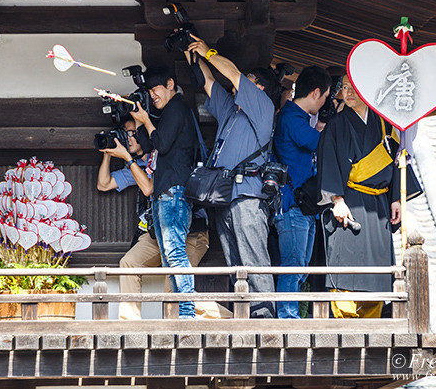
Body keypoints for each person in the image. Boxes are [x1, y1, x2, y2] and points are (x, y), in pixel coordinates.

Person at [317, 75, 436, 318]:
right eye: (345, 88)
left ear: (366, 91)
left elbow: (398, 157)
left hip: (378, 205)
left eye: (353, 88)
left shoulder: (383, 123)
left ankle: (372, 322)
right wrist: (337, 200)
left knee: (377, 271)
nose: (347, 93)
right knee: (345, 267)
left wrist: (396, 198)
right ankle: (345, 325)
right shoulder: (337, 125)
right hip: (350, 203)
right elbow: (328, 160)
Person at [185, 35, 281, 319]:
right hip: (225, 195)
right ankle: (245, 315)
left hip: (249, 195)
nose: (239, 85)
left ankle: (264, 319)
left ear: (259, 87)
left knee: (254, 259)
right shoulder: (233, 110)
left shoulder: (262, 107)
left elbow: (233, 74)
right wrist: (194, 56)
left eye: (249, 81)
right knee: (235, 262)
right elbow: (209, 83)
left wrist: (208, 50)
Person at [97, 120, 230, 319]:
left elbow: (148, 187)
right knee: (128, 263)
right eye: (126, 134)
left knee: (174, 290)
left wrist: (127, 158)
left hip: (190, 232)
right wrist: (108, 152)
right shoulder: (139, 165)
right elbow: (104, 184)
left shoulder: (163, 157)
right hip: (157, 232)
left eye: (133, 133)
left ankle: (231, 318)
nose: (129, 138)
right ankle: (129, 325)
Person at [129, 65, 198, 318]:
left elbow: (162, 144)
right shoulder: (169, 111)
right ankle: (183, 311)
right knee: (169, 256)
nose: (152, 94)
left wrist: (147, 120)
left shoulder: (177, 107)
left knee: (175, 252)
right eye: (149, 90)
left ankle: (187, 313)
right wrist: (140, 122)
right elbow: (148, 145)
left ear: (170, 84)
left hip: (174, 192)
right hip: (163, 194)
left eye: (155, 88)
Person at [272, 66, 332, 318]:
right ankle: (287, 319)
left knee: (300, 267)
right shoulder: (292, 117)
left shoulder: (295, 117)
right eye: (326, 97)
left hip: (302, 207)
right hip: (292, 205)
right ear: (316, 92)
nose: (325, 102)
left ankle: (291, 315)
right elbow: (318, 142)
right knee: (293, 265)